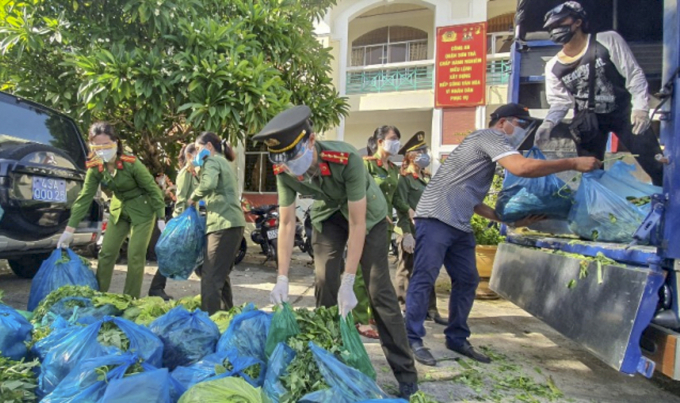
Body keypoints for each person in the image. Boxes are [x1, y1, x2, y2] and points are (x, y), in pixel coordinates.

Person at [406, 103, 601, 366]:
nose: (521, 132)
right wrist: (573, 163)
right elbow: (521, 168)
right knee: (424, 277)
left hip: (459, 222)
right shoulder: (488, 136)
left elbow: (473, 200)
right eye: (521, 125)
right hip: (436, 217)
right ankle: (411, 339)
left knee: (467, 279)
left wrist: (506, 218)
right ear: (502, 122)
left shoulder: (482, 155)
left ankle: (456, 337)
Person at [254, 106, 419, 398]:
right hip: (328, 214)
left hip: (367, 216)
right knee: (323, 278)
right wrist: (282, 276)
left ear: (311, 140)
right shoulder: (284, 168)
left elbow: (357, 223)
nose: (291, 166)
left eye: (294, 156)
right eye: (284, 160)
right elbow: (288, 222)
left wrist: (349, 279)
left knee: (378, 289)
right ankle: (331, 360)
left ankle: (405, 372)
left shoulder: (346, 159)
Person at [536, 1, 663, 186]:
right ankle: (597, 211)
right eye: (552, 27)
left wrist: (641, 108)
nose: (556, 29)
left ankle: (669, 206)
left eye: (560, 23)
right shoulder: (553, 66)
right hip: (588, 123)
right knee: (591, 176)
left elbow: (633, 75)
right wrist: (548, 123)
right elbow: (560, 102)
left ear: (578, 21)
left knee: (657, 165)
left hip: (624, 114)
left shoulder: (606, 40)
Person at [57, 122, 166, 298]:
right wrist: (69, 230)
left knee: (135, 256)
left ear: (116, 142)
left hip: (143, 210)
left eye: (106, 145)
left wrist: (161, 218)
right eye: (96, 146)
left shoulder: (131, 163)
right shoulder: (96, 166)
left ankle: (130, 300)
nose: (102, 150)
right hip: (119, 210)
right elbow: (85, 197)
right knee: (106, 253)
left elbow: (153, 189)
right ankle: (98, 296)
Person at [352, 125, 402, 339]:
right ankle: (359, 319)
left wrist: (408, 213)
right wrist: (378, 211)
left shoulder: (392, 168)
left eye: (398, 139)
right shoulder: (366, 166)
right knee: (363, 273)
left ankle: (372, 313)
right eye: (392, 138)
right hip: (367, 224)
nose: (396, 143)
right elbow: (359, 192)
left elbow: (397, 196)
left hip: (385, 227)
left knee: (378, 274)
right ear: (380, 141)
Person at [187, 132, 245, 315]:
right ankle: (226, 315)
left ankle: (208, 322)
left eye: (197, 149)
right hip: (231, 223)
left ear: (209, 147)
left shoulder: (211, 161)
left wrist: (192, 198)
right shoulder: (224, 163)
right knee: (220, 275)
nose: (196, 154)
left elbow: (208, 184)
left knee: (210, 277)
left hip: (223, 223)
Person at [392, 131, 445, 325]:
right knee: (406, 269)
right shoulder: (404, 179)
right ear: (411, 156)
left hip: (428, 231)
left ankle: (431, 309)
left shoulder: (427, 178)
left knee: (428, 270)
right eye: (421, 151)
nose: (425, 154)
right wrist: (406, 233)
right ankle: (404, 306)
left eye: (425, 150)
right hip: (410, 230)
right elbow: (402, 205)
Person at [147, 144, 199, 300]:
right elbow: (182, 200)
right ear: (190, 156)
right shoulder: (186, 173)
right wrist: (179, 225)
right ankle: (156, 288)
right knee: (171, 255)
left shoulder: (196, 173)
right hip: (185, 222)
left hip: (194, 221)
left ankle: (156, 288)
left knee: (178, 255)